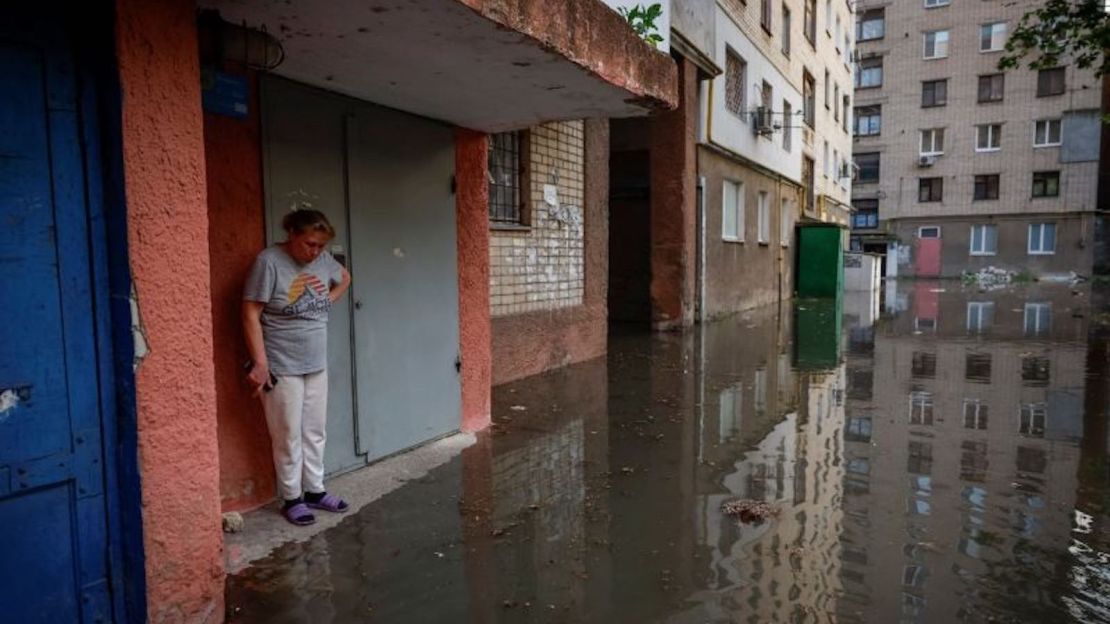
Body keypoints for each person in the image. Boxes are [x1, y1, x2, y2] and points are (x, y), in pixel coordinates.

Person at [242, 209, 352, 526]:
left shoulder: (322, 260)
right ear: (291, 233)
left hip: (316, 361)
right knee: (287, 433)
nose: (315, 252)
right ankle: (292, 498)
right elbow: (249, 313)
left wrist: (326, 300)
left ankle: (315, 491)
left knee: (315, 430)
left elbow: (345, 277)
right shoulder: (269, 262)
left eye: (320, 245)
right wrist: (261, 363)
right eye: (309, 244)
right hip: (282, 364)